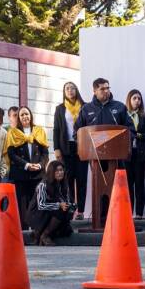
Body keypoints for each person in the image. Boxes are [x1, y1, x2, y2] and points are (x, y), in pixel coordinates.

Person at [73, 78, 133, 224]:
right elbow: (77, 133)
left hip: (116, 156)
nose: (106, 91)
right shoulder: (86, 109)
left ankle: (118, 219)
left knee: (117, 187)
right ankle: (100, 219)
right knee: (100, 186)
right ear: (94, 91)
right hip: (96, 158)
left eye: (107, 88)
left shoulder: (119, 107)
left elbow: (130, 129)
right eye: (102, 89)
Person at [5, 106, 48, 229]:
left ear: (31, 115)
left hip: (37, 174)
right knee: (22, 204)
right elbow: (11, 154)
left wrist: (40, 165)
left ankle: (37, 229)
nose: (25, 117)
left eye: (27, 114)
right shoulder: (13, 132)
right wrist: (27, 165)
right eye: (22, 115)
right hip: (20, 174)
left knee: (36, 203)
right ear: (18, 118)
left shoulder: (39, 131)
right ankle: (23, 231)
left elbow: (45, 153)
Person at [53, 81, 88, 220]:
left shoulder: (84, 107)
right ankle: (71, 209)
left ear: (76, 90)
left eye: (72, 88)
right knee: (68, 179)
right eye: (67, 88)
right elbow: (56, 129)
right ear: (64, 92)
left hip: (82, 147)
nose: (70, 91)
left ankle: (81, 211)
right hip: (66, 147)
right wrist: (56, 148)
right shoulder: (60, 108)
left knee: (81, 179)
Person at [28, 161, 75, 246]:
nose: (60, 173)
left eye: (61, 170)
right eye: (57, 171)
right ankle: (45, 235)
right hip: (38, 214)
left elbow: (67, 200)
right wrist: (59, 205)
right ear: (51, 172)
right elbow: (41, 205)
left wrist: (70, 206)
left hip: (51, 212)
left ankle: (38, 234)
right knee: (59, 211)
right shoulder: (43, 185)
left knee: (67, 228)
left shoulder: (64, 185)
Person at [125, 89, 145, 219]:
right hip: (127, 154)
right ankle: (129, 213)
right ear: (129, 100)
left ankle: (140, 213)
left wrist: (137, 135)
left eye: (139, 98)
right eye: (134, 98)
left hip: (141, 153)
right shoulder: (123, 115)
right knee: (128, 184)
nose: (137, 101)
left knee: (139, 183)